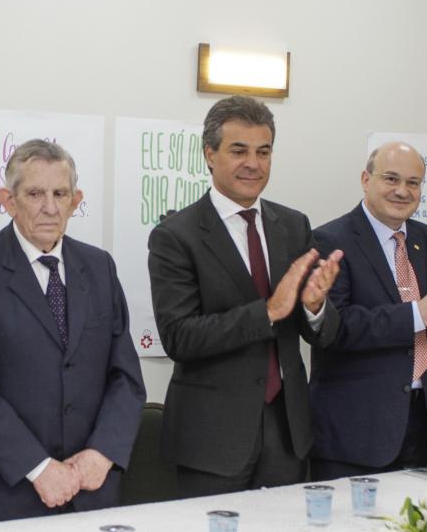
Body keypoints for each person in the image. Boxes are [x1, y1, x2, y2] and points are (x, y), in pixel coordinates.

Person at [147, 95, 343, 497]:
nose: (253, 163)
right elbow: (179, 338)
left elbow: (322, 334)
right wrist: (269, 311)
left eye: (263, 151)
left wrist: (315, 307)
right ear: (210, 154)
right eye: (239, 151)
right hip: (211, 440)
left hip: (288, 435)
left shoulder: (293, 224)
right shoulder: (175, 236)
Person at [0, 139, 145, 522]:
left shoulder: (99, 266)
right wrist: (39, 467)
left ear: (76, 198)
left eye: (60, 193)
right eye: (35, 193)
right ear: (8, 199)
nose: (50, 207)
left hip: (91, 490)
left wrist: (102, 453)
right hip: (8, 495)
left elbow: (126, 378)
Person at [309, 142, 427, 480]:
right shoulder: (329, 239)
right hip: (355, 427)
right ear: (366, 179)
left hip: (420, 415)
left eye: (413, 182)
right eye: (391, 179)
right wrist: (419, 314)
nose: (402, 191)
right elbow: (335, 328)